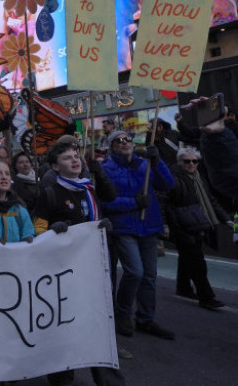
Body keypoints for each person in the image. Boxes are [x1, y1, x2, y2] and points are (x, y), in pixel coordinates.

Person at [32, 142, 125, 385]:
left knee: (97, 320)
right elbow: (37, 228)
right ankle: (62, 375)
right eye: (67, 158)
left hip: (93, 267)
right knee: (64, 323)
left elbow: (96, 212)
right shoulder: (50, 193)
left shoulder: (88, 190)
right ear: (55, 166)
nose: (75, 161)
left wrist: (103, 226)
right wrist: (50, 232)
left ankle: (106, 375)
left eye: (77, 156)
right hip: (62, 272)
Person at [100, 130, 176, 341]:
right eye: (119, 140)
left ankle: (146, 318)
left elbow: (168, 184)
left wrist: (158, 161)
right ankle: (123, 312)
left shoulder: (145, 164)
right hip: (124, 228)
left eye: (127, 139)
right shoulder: (106, 169)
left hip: (148, 226)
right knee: (135, 272)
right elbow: (105, 202)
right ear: (111, 146)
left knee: (149, 275)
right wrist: (134, 203)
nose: (124, 142)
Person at [166, 147, 230, 310]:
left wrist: (226, 219)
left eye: (195, 161)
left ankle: (183, 288)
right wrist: (169, 226)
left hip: (197, 223)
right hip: (182, 225)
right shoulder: (173, 179)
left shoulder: (198, 178)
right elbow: (166, 204)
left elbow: (211, 200)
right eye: (187, 161)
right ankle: (206, 297)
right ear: (180, 162)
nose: (191, 164)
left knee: (187, 258)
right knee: (197, 262)